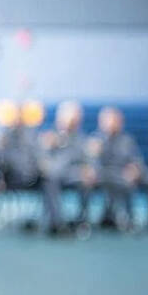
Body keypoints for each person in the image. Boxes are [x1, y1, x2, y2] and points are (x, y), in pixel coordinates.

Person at [94, 107, 148, 231]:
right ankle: (127, 218)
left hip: (128, 172)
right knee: (123, 181)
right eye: (109, 120)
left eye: (115, 120)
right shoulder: (96, 140)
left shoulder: (127, 139)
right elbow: (93, 164)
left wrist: (135, 169)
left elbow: (137, 159)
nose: (112, 123)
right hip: (108, 175)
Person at [40, 100, 97, 235]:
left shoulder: (82, 138)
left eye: (76, 117)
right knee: (50, 178)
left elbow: (88, 159)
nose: (73, 120)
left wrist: (89, 169)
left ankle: (82, 221)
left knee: (86, 178)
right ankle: (56, 223)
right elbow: (42, 160)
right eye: (70, 117)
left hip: (73, 175)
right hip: (53, 175)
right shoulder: (49, 136)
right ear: (60, 118)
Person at [0, 101, 41, 191]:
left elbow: (35, 157)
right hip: (12, 177)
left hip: (29, 177)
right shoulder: (5, 136)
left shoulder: (30, 135)